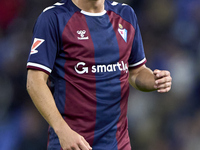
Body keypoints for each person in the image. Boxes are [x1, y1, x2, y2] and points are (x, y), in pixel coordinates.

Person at [26, 0, 172, 149]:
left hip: (117, 143)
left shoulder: (126, 15)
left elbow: (136, 71)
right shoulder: (53, 18)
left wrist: (154, 80)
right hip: (72, 143)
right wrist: (62, 130)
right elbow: (35, 81)